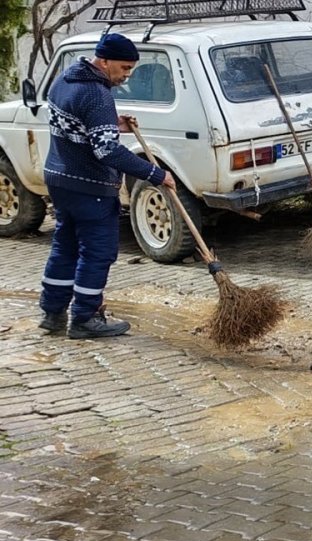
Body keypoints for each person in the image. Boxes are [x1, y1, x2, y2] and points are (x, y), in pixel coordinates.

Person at [38, 33, 173, 339]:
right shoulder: (97, 96)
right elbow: (107, 151)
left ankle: (52, 313)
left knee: (65, 246)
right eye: (124, 68)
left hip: (59, 180)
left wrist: (114, 124)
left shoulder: (64, 81)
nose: (127, 75)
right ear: (104, 61)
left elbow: (74, 125)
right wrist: (155, 174)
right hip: (90, 186)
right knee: (97, 253)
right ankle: (85, 318)